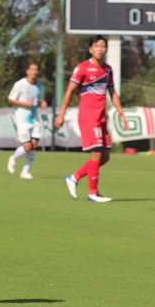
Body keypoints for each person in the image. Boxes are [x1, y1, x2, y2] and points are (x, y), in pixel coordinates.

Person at [54, 35, 129, 203]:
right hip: (88, 117)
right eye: (97, 46)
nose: (100, 49)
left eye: (103, 46)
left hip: (102, 118)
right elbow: (69, 91)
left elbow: (113, 93)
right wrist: (61, 114)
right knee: (96, 154)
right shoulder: (82, 68)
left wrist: (121, 114)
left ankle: (74, 177)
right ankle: (92, 193)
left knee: (105, 157)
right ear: (90, 49)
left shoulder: (108, 70)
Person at [7, 62, 48, 180]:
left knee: (34, 145)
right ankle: (13, 158)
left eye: (36, 70)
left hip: (34, 118)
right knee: (27, 147)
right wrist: (25, 104)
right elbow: (10, 99)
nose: (34, 72)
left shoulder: (40, 87)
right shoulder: (20, 84)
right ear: (27, 71)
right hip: (22, 119)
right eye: (32, 69)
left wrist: (43, 102)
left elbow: (41, 100)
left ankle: (25, 172)